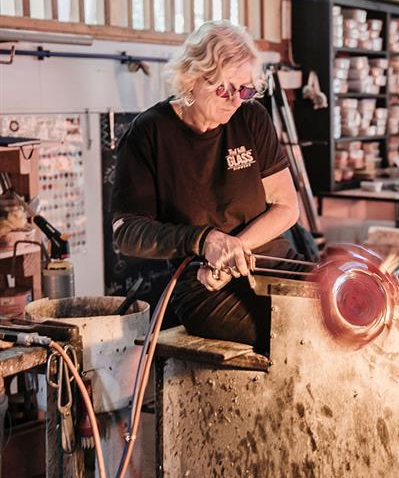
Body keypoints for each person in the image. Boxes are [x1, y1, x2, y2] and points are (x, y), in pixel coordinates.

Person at [111, 20, 304, 353]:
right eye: (224, 89)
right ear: (193, 78)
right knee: (287, 334)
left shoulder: (251, 117)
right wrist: (204, 240)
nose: (235, 100)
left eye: (245, 90)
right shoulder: (149, 133)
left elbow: (287, 207)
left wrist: (231, 253)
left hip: (271, 264)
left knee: (339, 315)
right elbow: (126, 231)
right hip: (204, 284)